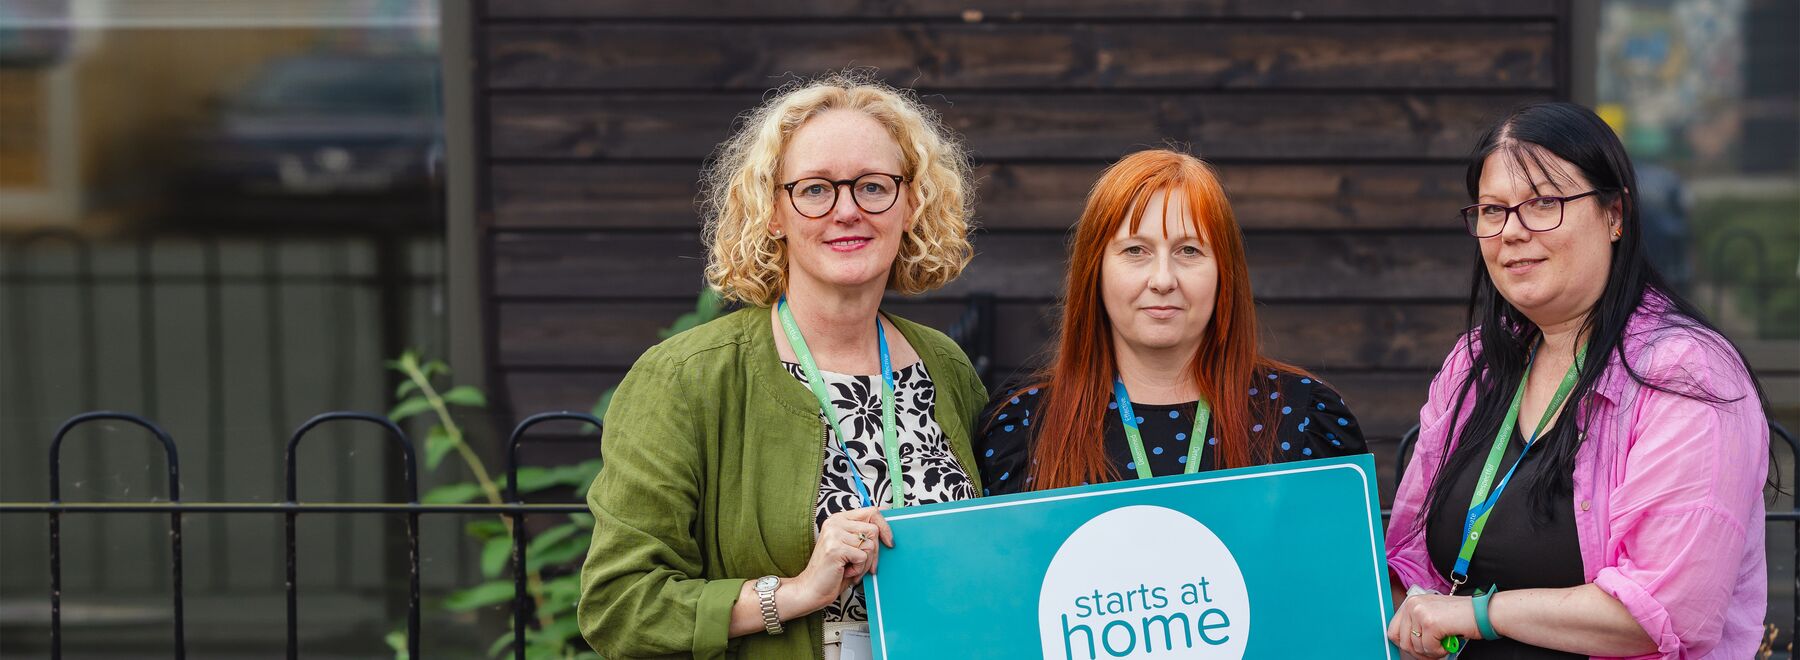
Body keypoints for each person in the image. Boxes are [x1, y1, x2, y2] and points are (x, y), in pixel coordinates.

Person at [576, 73, 987, 660]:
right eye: (815, 189)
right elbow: (619, 607)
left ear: (912, 203)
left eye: (873, 186)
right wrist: (793, 594)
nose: (847, 210)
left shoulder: (944, 367)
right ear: (772, 210)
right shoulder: (686, 378)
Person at [1384, 102, 1771, 658]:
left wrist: (1477, 614)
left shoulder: (1685, 373)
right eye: (1493, 210)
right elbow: (1412, 559)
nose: (1511, 232)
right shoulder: (1477, 364)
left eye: (1544, 203)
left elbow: (1663, 611)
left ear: (1616, 215)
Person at [976, 148, 1367, 494]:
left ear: (1224, 272)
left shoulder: (1304, 417)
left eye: (1189, 251)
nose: (1163, 279)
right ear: (1094, 271)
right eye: (1135, 250)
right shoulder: (1024, 424)